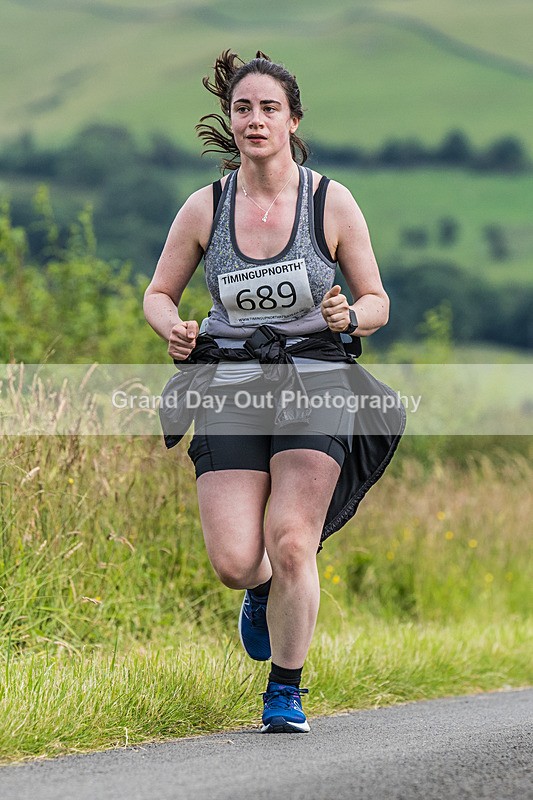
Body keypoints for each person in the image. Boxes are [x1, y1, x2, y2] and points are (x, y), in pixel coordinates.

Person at [144, 50, 398, 734]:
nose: (254, 120)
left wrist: (353, 315)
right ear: (229, 122)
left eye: (268, 108)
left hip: (315, 380)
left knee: (291, 542)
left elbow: (376, 299)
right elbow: (158, 293)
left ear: (292, 120)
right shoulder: (206, 208)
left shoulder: (329, 201)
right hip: (231, 382)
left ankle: (285, 690)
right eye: (242, 108)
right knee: (236, 561)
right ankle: (258, 593)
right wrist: (173, 328)